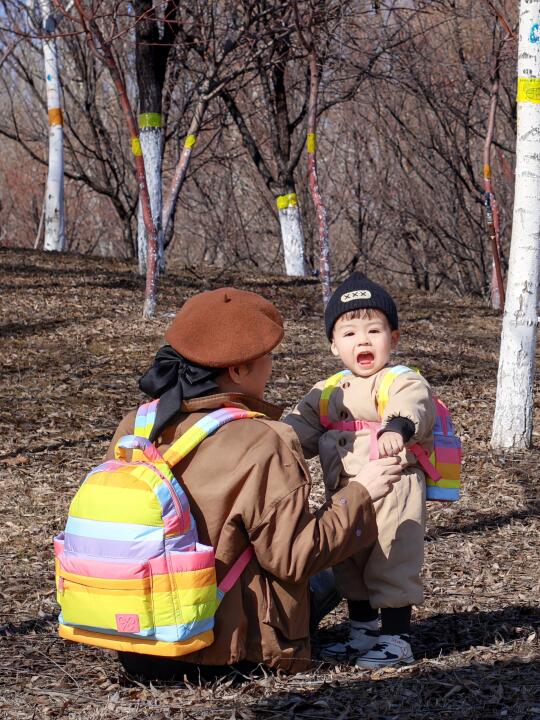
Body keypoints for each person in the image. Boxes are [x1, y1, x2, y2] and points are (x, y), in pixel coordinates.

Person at [105, 287, 402, 680]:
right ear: (239, 370)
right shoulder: (265, 440)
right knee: (328, 575)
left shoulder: (137, 425)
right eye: (266, 357)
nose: (271, 367)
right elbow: (295, 558)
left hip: (135, 642)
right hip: (225, 654)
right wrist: (360, 492)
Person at [283, 273, 435, 669]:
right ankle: (363, 632)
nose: (363, 341)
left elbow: (414, 403)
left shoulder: (400, 378)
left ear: (394, 338)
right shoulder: (327, 390)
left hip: (394, 486)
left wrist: (396, 427)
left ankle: (397, 637)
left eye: (374, 330)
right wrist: (273, 442)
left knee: (391, 556)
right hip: (347, 492)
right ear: (334, 345)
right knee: (348, 559)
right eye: (349, 333)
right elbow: (298, 429)